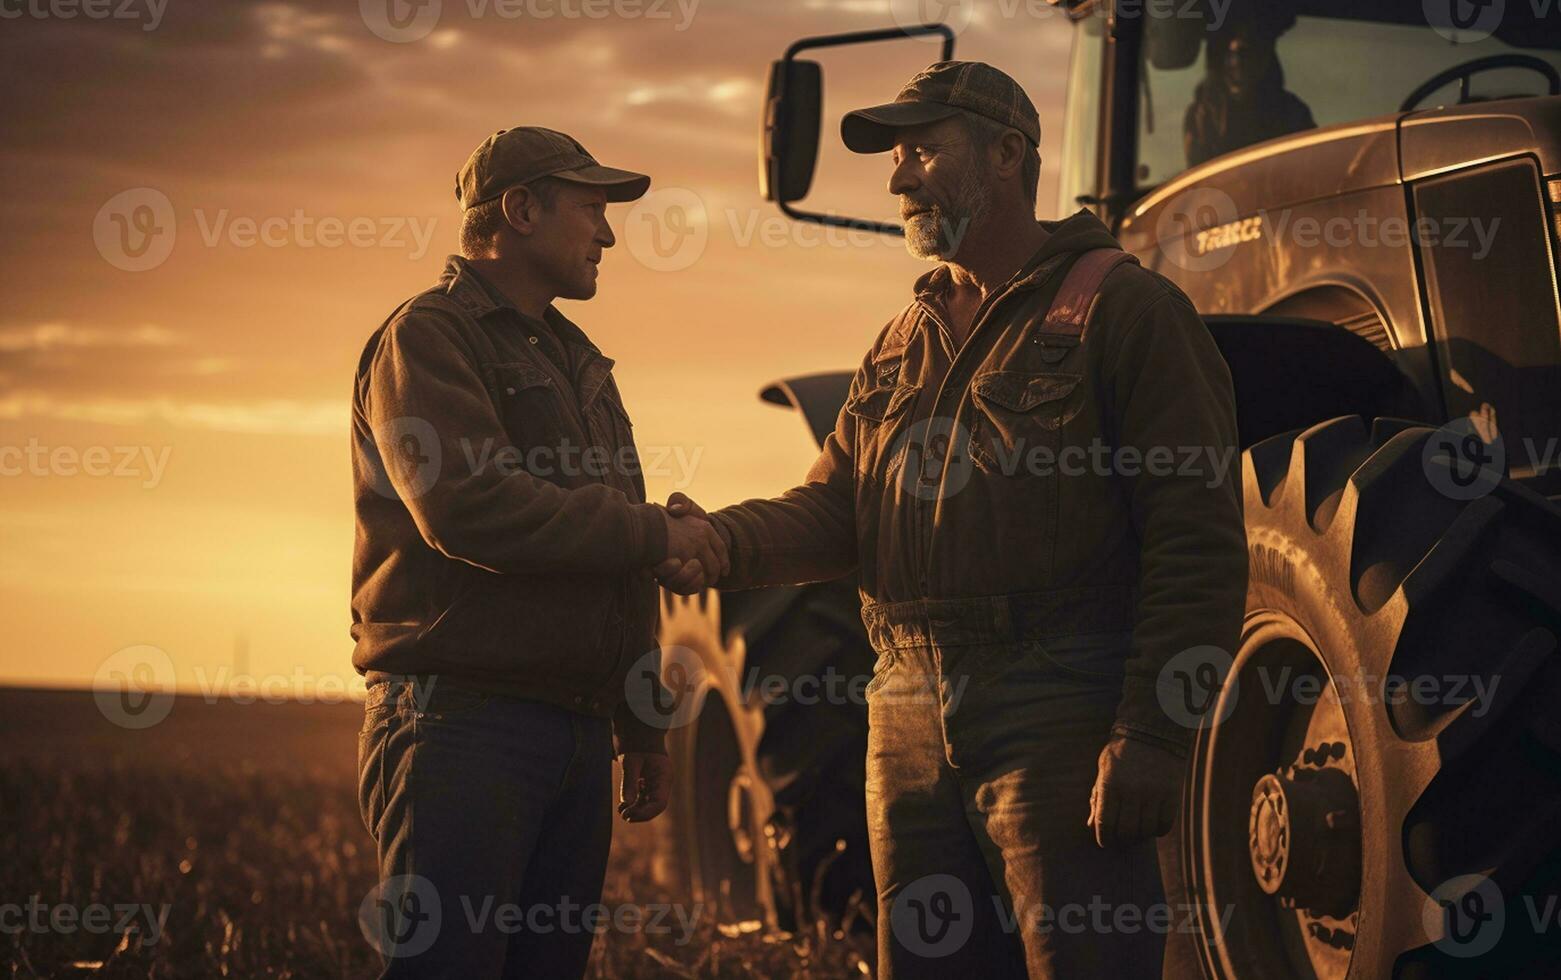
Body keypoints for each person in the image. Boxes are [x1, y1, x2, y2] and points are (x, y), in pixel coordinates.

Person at [662, 62, 1247, 977]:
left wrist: (1154, 735)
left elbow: (1195, 539)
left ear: (1008, 154)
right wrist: (718, 543)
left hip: (1056, 709)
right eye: (896, 156)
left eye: (924, 149)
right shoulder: (903, 337)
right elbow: (835, 508)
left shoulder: (1129, 314)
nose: (899, 178)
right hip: (903, 720)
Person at [350, 126, 727, 979]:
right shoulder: (427, 340)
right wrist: (655, 533)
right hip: (459, 725)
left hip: (571, 731)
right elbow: (471, 509)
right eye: (591, 209)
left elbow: (615, 553)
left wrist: (640, 727)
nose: (608, 234)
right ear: (519, 210)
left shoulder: (575, 359)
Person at [1184, 7, 1315, 167]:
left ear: (1266, 56)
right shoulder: (1202, 117)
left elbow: (1310, 171)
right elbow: (1198, 184)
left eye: (1247, 51)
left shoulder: (1293, 114)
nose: (1237, 62)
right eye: (1230, 52)